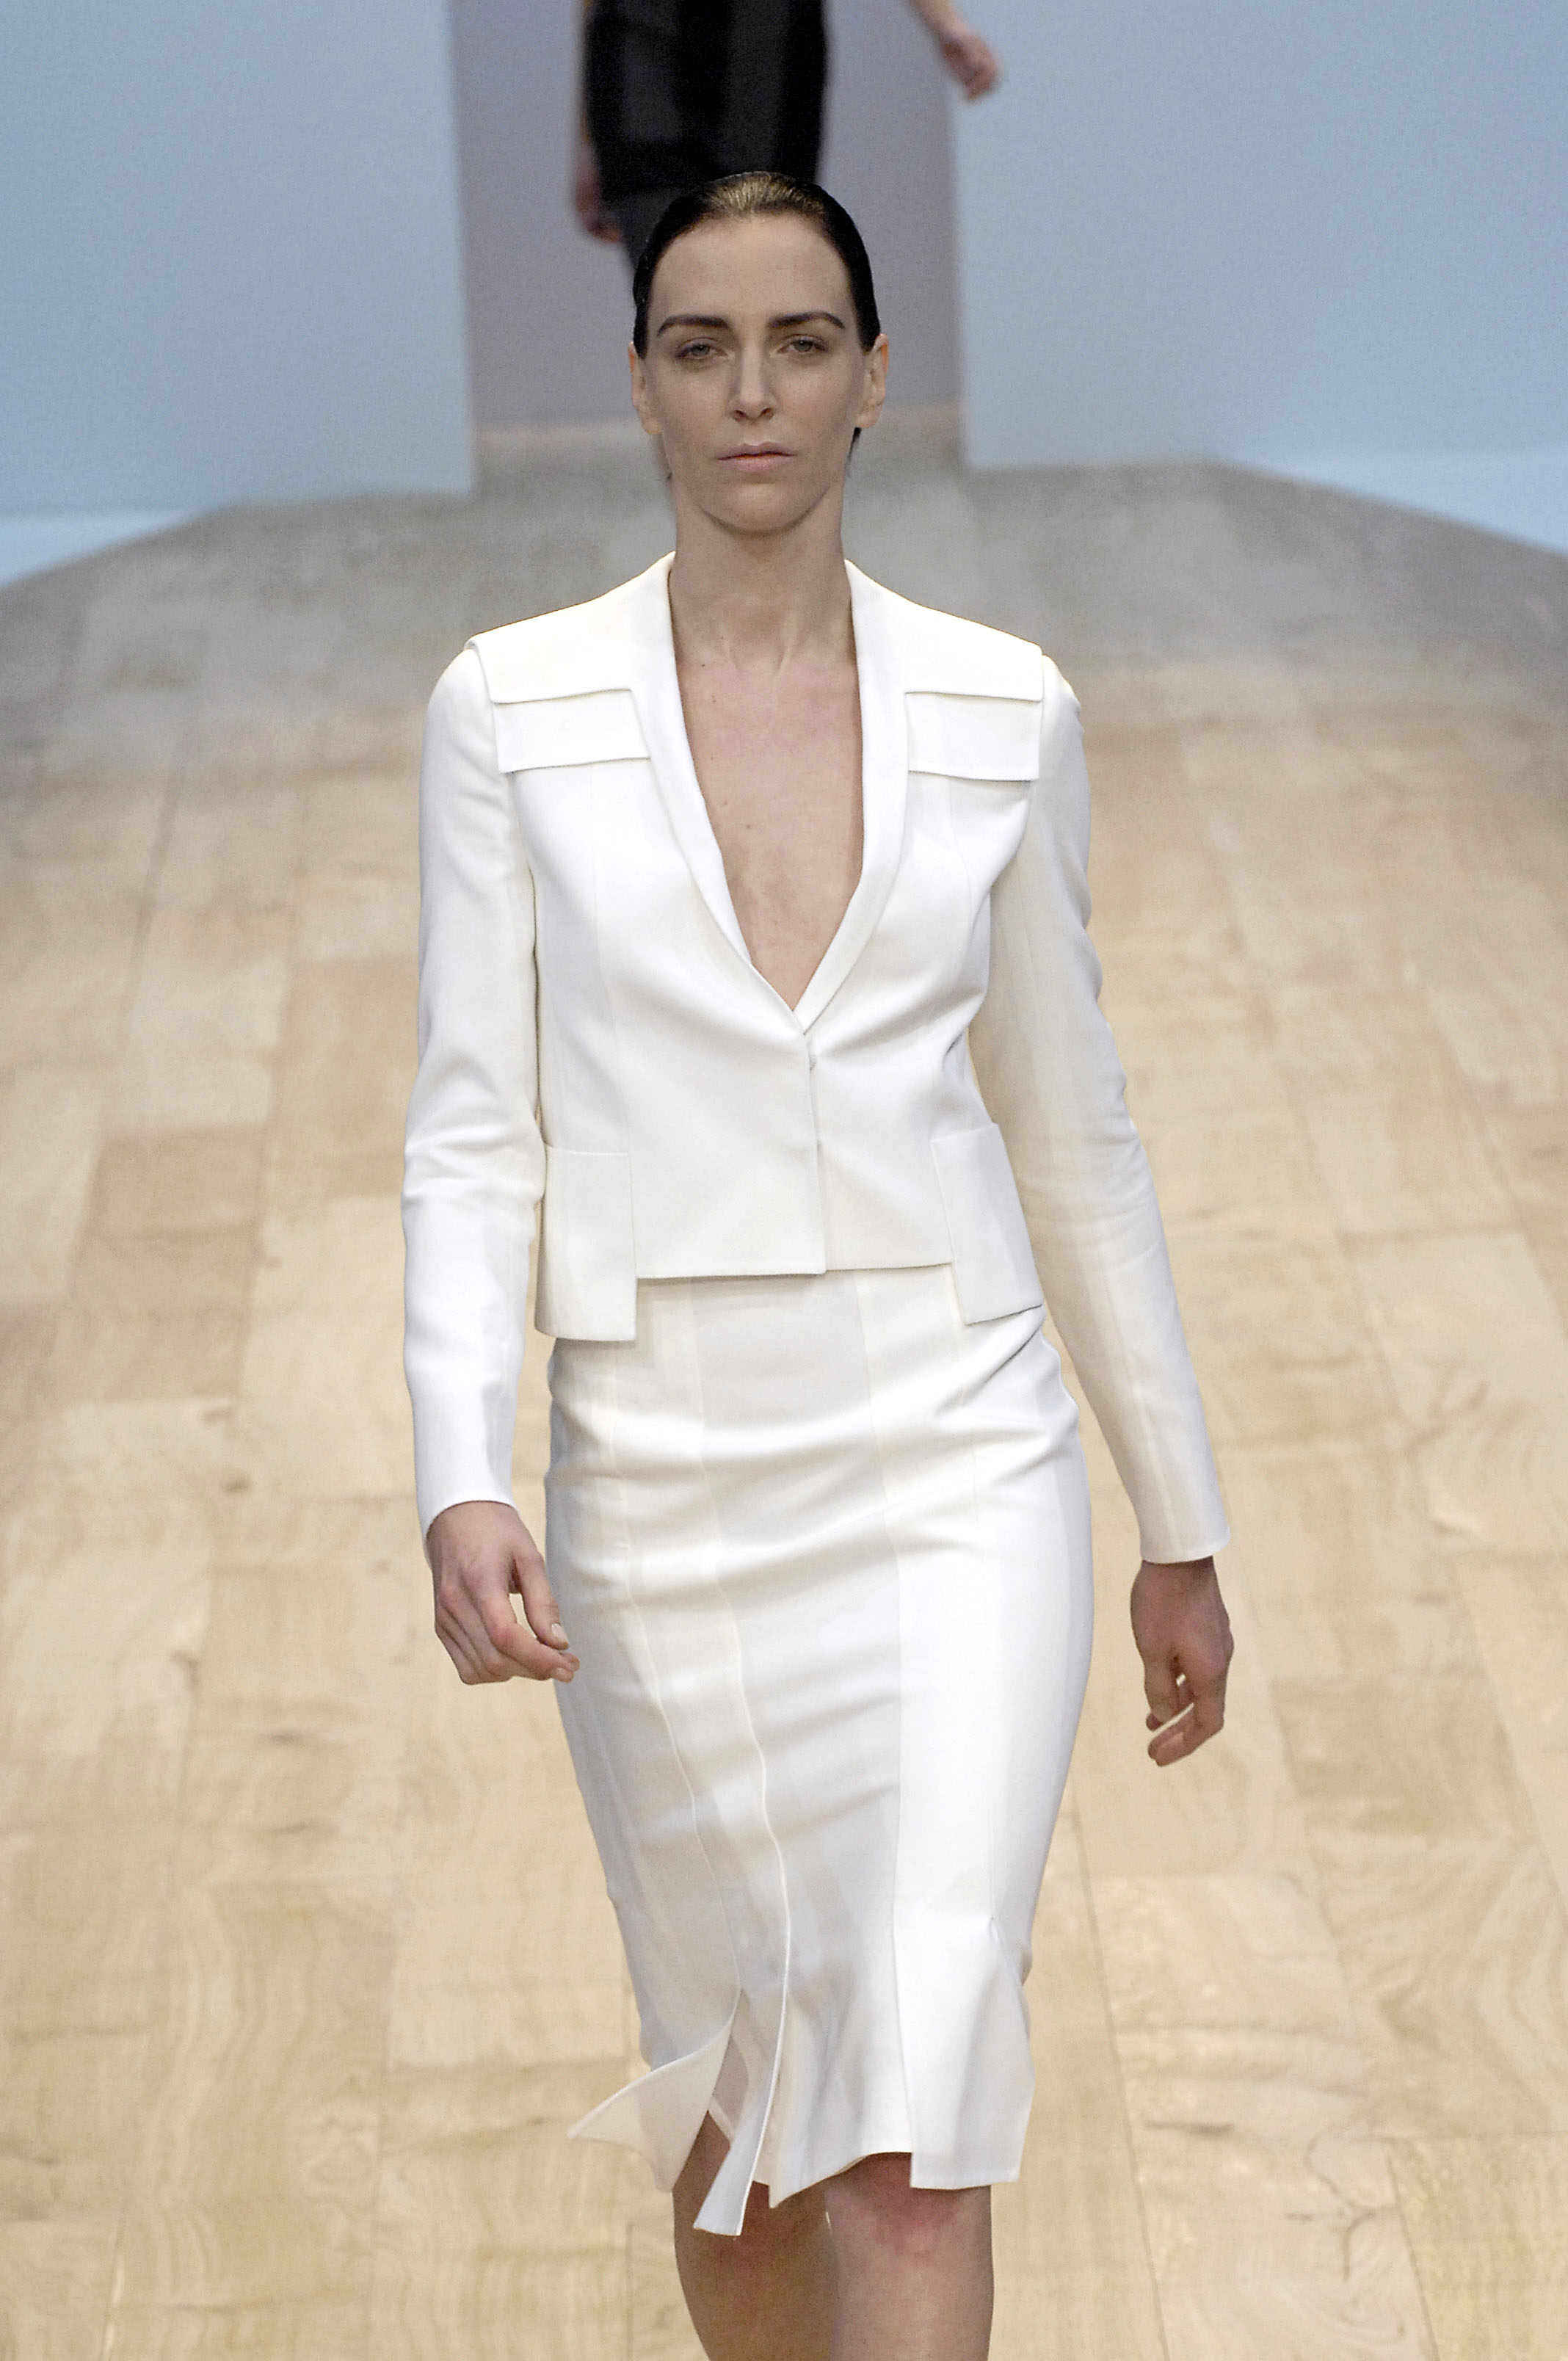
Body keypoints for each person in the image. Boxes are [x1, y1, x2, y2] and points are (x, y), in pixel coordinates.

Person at [402, 172, 1234, 2361]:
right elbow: (471, 1124)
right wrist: (456, 1469)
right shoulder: (509, 708)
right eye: (702, 346)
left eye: (799, 342)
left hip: (958, 1459)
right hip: (661, 1483)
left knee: (916, 2123)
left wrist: (1178, 1515)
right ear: (642, 386)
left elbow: (1072, 1123)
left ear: (875, 376)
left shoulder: (1001, 707)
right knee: (749, 2130)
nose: (752, 390)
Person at [573, 0, 1001, 266]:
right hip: (641, 49)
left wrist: (946, 22)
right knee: (671, 291)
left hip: (768, 55)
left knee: (761, 284)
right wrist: (588, 138)